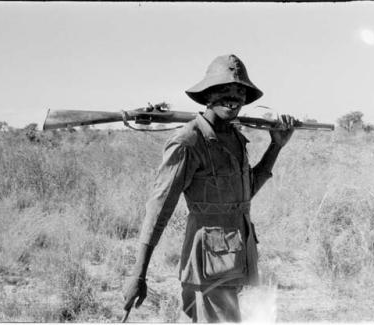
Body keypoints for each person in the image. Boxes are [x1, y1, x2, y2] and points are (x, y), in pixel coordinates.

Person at [123, 54, 295, 322]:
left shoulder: (235, 137)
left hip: (234, 259)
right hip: (208, 266)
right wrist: (138, 274)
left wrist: (276, 146)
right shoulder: (188, 141)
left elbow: (245, 194)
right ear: (207, 96)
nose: (234, 97)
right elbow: (158, 209)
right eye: (224, 90)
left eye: (240, 91)